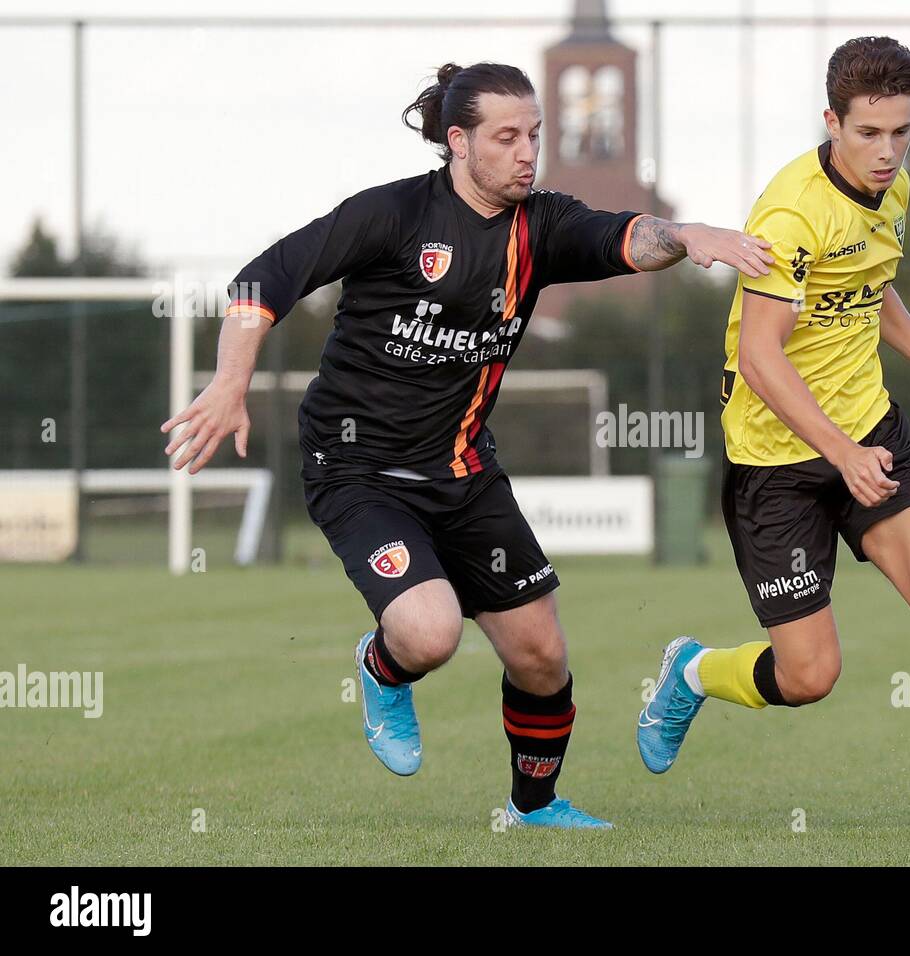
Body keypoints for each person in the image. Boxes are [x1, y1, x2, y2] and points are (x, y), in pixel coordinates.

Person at [161, 61, 773, 830]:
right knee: (429, 633)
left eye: (536, 136)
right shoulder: (390, 216)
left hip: (462, 470)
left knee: (543, 655)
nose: (528, 152)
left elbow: (627, 238)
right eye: (507, 137)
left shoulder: (541, 226)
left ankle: (534, 809)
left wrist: (688, 236)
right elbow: (263, 281)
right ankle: (381, 667)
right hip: (357, 470)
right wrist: (228, 385)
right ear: (458, 141)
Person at [636, 36, 910, 837]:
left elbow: (868, 285)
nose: (887, 151)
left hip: (870, 430)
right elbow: (759, 355)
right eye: (868, 133)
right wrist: (841, 454)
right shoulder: (791, 210)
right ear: (832, 120)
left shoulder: (891, 192)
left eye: (902, 132)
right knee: (810, 675)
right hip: (777, 463)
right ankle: (691, 672)